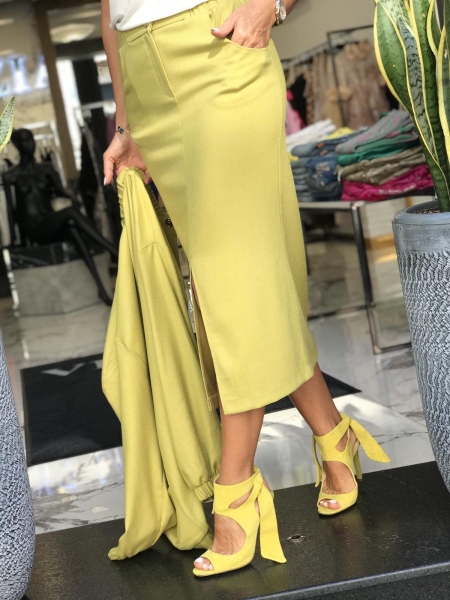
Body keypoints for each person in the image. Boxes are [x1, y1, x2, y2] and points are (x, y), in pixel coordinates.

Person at [101, 0, 390, 577]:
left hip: (217, 52)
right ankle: (335, 436)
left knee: (231, 286)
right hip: (143, 78)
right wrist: (125, 124)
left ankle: (235, 489)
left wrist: (270, 5)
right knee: (248, 284)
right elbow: (109, 9)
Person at [3, 129, 117, 306]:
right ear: (16, 145)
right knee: (69, 213)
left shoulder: (46, 169)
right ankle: (113, 250)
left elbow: (62, 192)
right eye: (25, 141)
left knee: (73, 230)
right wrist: (13, 241)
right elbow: (12, 211)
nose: (30, 144)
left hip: (50, 224)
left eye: (31, 139)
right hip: (35, 229)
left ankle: (102, 290)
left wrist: (74, 198)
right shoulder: (11, 175)